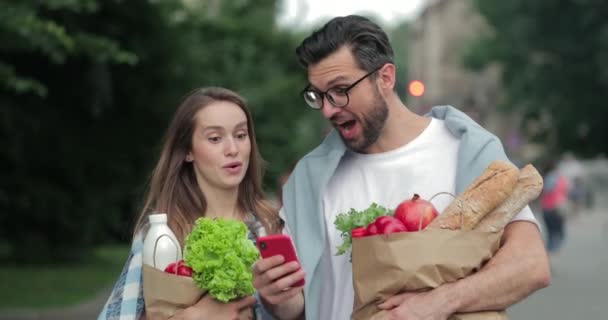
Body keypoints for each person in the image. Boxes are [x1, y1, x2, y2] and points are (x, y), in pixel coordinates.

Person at [253, 15, 551, 320]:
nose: (328, 109)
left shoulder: (468, 151)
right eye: (318, 95)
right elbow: (300, 307)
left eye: (340, 90)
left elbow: (530, 265)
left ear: (385, 78)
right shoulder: (307, 180)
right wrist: (277, 297)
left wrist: (440, 302)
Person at [98, 87, 282, 320]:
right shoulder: (163, 235)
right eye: (215, 138)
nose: (233, 149)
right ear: (187, 151)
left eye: (240, 135)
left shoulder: (274, 226)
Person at [541, 160, 569, 252]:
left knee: (551, 228)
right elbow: (567, 189)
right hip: (558, 205)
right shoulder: (560, 177)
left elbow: (546, 190)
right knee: (558, 227)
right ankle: (556, 245)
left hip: (548, 206)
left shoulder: (547, 177)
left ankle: (552, 245)